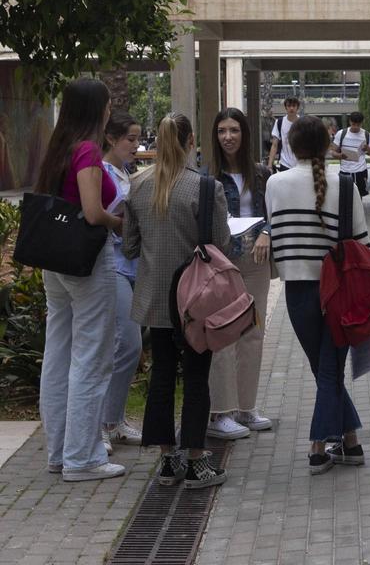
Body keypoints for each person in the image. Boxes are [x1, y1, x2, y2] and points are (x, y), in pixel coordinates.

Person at [124, 113, 232, 490]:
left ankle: (167, 460)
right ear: (190, 143)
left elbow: (129, 246)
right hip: (195, 300)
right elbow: (222, 243)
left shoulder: (138, 186)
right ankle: (198, 460)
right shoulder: (205, 188)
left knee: (162, 376)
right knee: (198, 377)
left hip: (155, 298)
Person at [265, 116, 370, 474]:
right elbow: (362, 246)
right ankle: (328, 446)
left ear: (291, 146)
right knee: (330, 371)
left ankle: (335, 445)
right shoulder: (346, 185)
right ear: (327, 146)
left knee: (325, 370)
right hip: (339, 293)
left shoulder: (274, 183)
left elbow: (276, 235)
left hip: (297, 292)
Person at [35, 78, 125, 482]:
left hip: (53, 259)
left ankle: (60, 453)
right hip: (87, 261)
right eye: (107, 104)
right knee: (92, 357)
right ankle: (83, 458)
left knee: (59, 354)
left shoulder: (58, 148)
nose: (110, 110)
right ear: (96, 108)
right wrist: (119, 223)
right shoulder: (88, 149)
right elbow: (92, 212)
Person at [207, 107, 274, 441]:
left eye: (234, 130)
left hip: (255, 258)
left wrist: (267, 233)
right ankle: (220, 412)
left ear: (245, 134)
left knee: (253, 332)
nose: (228, 137)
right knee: (223, 334)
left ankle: (246, 407)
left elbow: (273, 211)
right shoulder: (208, 175)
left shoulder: (261, 173)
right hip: (221, 259)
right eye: (222, 131)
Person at [100, 112, 144, 452]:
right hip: (111, 267)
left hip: (132, 266)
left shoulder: (124, 172)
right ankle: (101, 423)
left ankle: (112, 421)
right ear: (112, 139)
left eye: (137, 138)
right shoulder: (101, 173)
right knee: (126, 344)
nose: (136, 144)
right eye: (130, 138)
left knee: (128, 346)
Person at [333, 111, 370, 198]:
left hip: (360, 171)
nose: (356, 127)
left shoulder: (366, 135)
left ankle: (358, 211)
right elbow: (333, 151)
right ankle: (346, 211)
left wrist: (367, 148)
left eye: (358, 125)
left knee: (359, 196)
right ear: (350, 122)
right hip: (345, 171)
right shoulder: (341, 134)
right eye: (354, 124)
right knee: (344, 195)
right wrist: (339, 155)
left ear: (362, 123)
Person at [268, 96, 301, 172]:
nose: (291, 108)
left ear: (297, 107)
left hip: (300, 164)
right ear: (286, 107)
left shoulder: (302, 122)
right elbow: (274, 145)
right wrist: (270, 165)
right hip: (284, 163)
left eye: (294, 106)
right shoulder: (279, 122)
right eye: (289, 106)